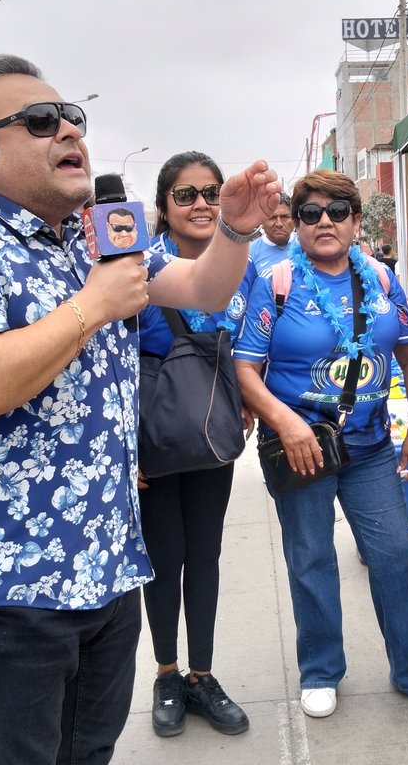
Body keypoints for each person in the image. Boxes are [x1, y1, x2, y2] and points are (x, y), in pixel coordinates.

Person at [0, 54, 280, 765]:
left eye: (73, 117)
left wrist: (235, 231)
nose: (67, 128)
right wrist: (90, 307)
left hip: (105, 565)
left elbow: (203, 290)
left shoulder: (96, 235)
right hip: (10, 585)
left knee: (89, 752)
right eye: (39, 121)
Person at [233, 169, 408, 721]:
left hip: (372, 445)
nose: (324, 222)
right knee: (310, 559)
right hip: (301, 449)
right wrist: (285, 423)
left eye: (337, 211)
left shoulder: (381, 279)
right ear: (298, 223)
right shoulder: (277, 280)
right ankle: (321, 670)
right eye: (310, 213)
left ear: (357, 221)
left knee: (397, 555)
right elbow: (244, 368)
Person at [138, 151, 251, 738]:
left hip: (211, 437)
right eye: (186, 195)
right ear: (164, 206)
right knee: (164, 558)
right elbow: (113, 364)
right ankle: (167, 674)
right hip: (154, 438)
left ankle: (202, 677)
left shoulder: (242, 265)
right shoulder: (138, 270)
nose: (202, 204)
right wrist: (124, 451)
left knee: (204, 554)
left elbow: (251, 346)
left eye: (211, 192)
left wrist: (245, 400)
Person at [249, 192, 293, 274]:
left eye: (284, 217)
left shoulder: (307, 244)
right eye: (272, 218)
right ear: (261, 222)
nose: (279, 224)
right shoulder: (250, 253)